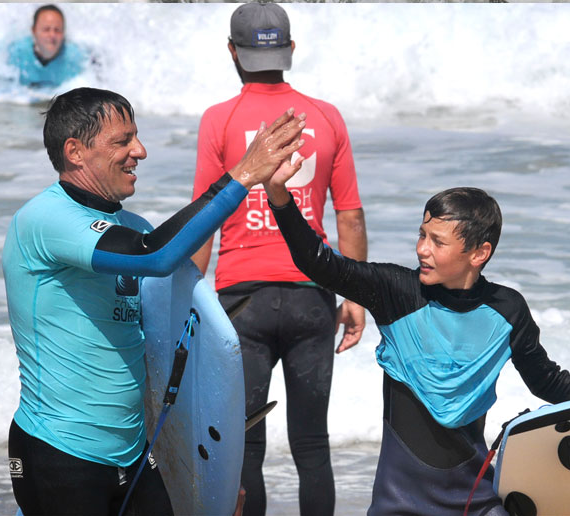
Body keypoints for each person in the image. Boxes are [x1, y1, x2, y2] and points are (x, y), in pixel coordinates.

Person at [261, 172, 570, 514]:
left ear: (479, 253)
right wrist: (278, 193)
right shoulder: (396, 292)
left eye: (438, 241)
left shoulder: (507, 310)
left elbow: (548, 381)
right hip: (399, 505)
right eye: (422, 235)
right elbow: (318, 262)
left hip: (475, 501)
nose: (422, 249)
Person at [2, 86, 306, 515]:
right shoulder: (45, 220)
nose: (140, 151)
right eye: (122, 141)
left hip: (133, 451)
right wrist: (241, 176)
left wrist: (214, 477)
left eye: (136, 137)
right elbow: (156, 255)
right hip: (61, 452)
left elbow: (179, 341)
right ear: (75, 151)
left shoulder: (132, 227)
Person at [189, 3, 367, 515]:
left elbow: (203, 220)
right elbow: (350, 217)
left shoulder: (219, 119)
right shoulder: (327, 117)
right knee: (312, 443)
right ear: (290, 50)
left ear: (233, 52)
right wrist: (355, 298)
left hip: (242, 303)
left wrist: (188, 304)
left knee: (245, 444)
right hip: (312, 297)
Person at [7, 5, 89, 89]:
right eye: (46, 29)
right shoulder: (16, 54)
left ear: (63, 33)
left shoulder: (76, 58)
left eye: (57, 30)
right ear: (33, 31)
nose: (52, 35)